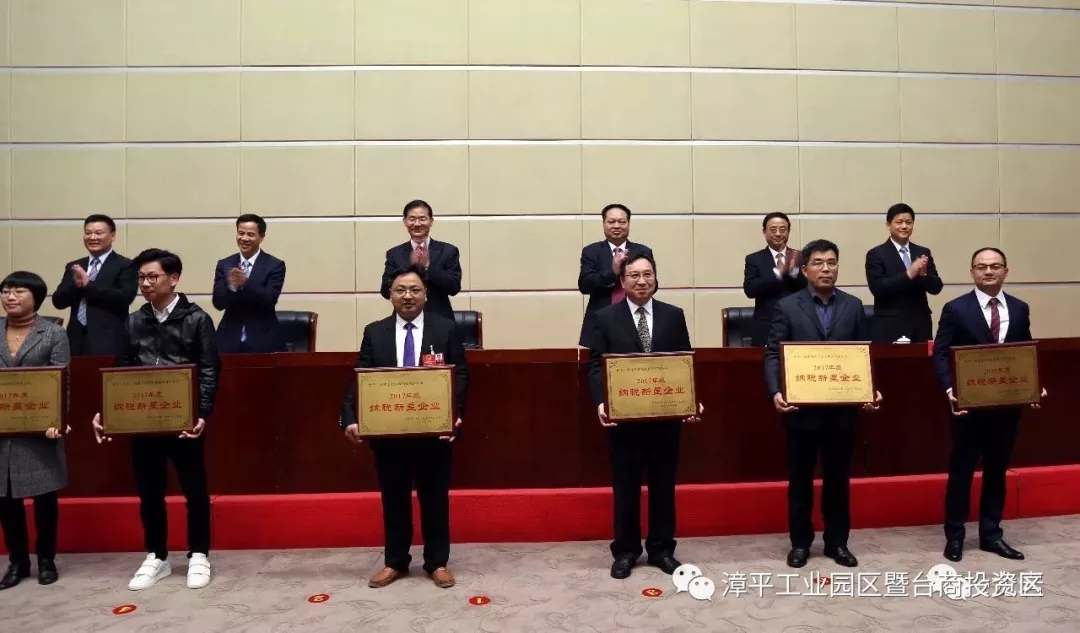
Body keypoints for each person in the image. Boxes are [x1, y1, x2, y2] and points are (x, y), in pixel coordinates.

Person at [90, 249, 221, 591]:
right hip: (144, 420)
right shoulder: (133, 321)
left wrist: (202, 413)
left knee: (195, 489)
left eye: (152, 277)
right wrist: (107, 410)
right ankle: (157, 555)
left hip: (184, 421)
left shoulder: (197, 318)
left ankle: (199, 554)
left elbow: (209, 370)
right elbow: (120, 371)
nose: (145, 284)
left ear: (173, 278)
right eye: (141, 278)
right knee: (149, 491)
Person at [341, 264, 468, 589]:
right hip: (389, 434)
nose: (407, 296)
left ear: (426, 294)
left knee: (434, 498)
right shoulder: (375, 331)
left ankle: (437, 562)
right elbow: (361, 376)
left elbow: (460, 374)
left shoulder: (445, 328)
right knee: (394, 499)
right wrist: (350, 416)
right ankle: (395, 561)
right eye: (400, 290)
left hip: (433, 431)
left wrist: (455, 414)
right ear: (390, 294)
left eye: (414, 289)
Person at [764, 239, 882, 569]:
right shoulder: (787, 306)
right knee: (800, 481)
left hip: (841, 412)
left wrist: (871, 389)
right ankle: (800, 543)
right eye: (818, 263)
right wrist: (775, 391)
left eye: (832, 262)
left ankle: (837, 543)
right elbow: (773, 353)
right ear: (804, 270)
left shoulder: (853, 305)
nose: (826, 269)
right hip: (801, 412)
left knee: (838, 481)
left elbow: (864, 353)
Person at [587, 252, 702, 579]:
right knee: (626, 487)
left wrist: (692, 400)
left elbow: (683, 361)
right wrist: (601, 403)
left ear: (655, 278)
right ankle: (626, 551)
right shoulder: (605, 317)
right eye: (634, 275)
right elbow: (595, 364)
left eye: (647, 274)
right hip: (624, 419)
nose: (642, 281)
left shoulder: (673, 315)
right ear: (622, 281)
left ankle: (662, 549)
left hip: (665, 418)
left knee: (663, 485)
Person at [933, 247, 1046, 563]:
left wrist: (1033, 386)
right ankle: (955, 535)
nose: (988, 271)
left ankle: (991, 534)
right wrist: (950, 389)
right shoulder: (956, 308)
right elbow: (940, 352)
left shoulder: (1020, 309)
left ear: (1006, 271)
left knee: (997, 471)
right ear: (972, 272)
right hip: (968, 407)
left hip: (1006, 407)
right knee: (962, 472)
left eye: (995, 266)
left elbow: (1024, 352)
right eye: (981, 266)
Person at [0, 272, 70, 589]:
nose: (10, 297)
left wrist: (57, 419)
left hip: (41, 430)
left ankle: (45, 559)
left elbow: (62, 381)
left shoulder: (53, 333)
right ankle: (18, 561)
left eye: (18, 291)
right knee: (5, 501)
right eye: (6, 291)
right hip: (2, 432)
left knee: (44, 499)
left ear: (36, 297)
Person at [51, 214, 138, 356]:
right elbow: (58, 302)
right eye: (88, 233)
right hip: (76, 339)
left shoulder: (125, 265)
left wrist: (89, 285)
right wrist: (75, 286)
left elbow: (124, 297)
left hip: (110, 340)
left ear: (113, 235)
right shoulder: (75, 266)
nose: (92, 237)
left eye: (98, 233)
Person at [864, 203, 943, 343]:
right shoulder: (876, 254)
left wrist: (924, 276)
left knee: (922, 358)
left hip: (920, 324)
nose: (904, 226)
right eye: (899, 222)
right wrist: (908, 274)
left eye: (908, 222)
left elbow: (937, 287)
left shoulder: (922, 252)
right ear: (888, 225)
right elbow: (878, 288)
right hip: (889, 324)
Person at [578, 204, 654, 348]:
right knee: (600, 360)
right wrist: (612, 272)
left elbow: (653, 285)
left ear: (628, 223)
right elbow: (584, 285)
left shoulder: (643, 251)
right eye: (611, 221)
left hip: (637, 317)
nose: (617, 226)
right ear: (604, 224)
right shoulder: (591, 251)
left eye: (622, 221)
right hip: (601, 319)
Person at [212, 214, 286, 353]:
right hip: (229, 338)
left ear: (261, 237)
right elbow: (218, 303)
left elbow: (270, 299)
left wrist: (245, 283)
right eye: (241, 233)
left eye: (250, 234)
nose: (244, 238)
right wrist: (232, 287)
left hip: (263, 339)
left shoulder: (275, 265)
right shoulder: (225, 264)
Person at [379, 200, 463, 321]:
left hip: (440, 320)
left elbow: (454, 288)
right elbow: (385, 292)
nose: (417, 224)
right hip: (404, 319)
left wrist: (429, 267)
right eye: (412, 219)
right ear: (405, 222)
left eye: (422, 219)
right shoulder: (394, 254)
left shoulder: (448, 251)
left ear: (431, 221)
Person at [743, 212, 807, 346]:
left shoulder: (800, 257)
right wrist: (777, 273)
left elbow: (809, 287)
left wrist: (794, 272)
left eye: (782, 229)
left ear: (788, 232)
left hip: (798, 323)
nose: (778, 234)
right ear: (764, 232)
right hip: (766, 326)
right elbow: (750, 289)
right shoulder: (754, 259)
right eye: (773, 229)